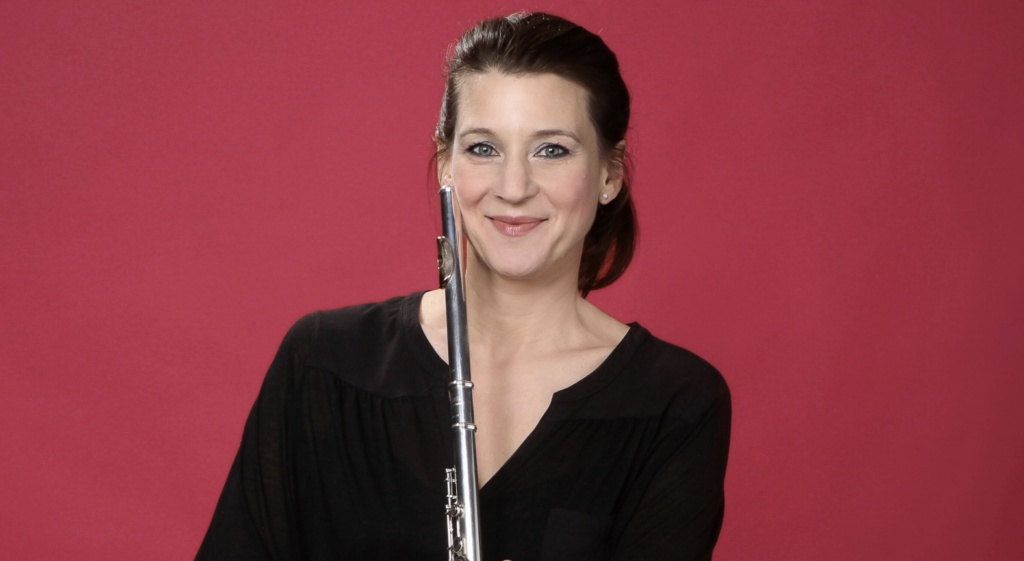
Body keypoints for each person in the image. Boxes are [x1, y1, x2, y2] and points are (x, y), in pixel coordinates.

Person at [196, 12, 730, 561]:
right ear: (446, 164)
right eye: (483, 148)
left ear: (609, 175)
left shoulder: (675, 403)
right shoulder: (324, 361)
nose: (514, 187)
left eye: (552, 150)